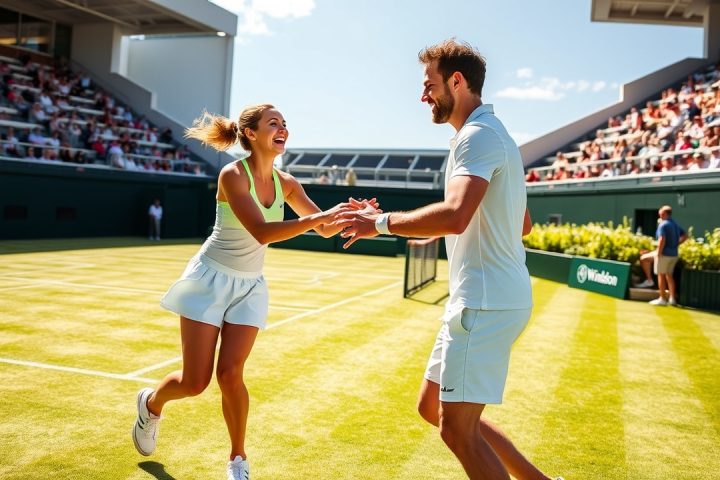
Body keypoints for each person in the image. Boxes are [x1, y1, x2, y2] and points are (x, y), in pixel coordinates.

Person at [334, 39, 559, 480]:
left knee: (456, 430)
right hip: (484, 297)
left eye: (429, 85)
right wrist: (418, 227)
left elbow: (457, 215)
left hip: (484, 301)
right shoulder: (491, 134)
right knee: (431, 404)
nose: (424, 96)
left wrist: (379, 223)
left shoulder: (478, 137)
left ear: (457, 81)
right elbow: (521, 223)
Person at [131, 104, 372, 480]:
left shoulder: (287, 183)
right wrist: (321, 217)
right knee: (195, 382)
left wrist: (352, 217)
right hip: (209, 281)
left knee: (230, 375)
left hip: (250, 287)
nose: (282, 128)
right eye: (273, 123)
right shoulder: (232, 175)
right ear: (251, 133)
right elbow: (261, 231)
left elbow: (324, 229)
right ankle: (151, 404)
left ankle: (238, 460)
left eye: (284, 124)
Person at [637, 205, 687, 305]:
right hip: (674, 255)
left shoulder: (663, 224)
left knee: (661, 275)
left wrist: (658, 253)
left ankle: (662, 299)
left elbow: (662, 239)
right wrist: (675, 244)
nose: (659, 214)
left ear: (663, 213)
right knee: (669, 275)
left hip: (664, 254)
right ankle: (672, 299)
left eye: (660, 212)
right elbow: (685, 236)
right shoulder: (675, 224)